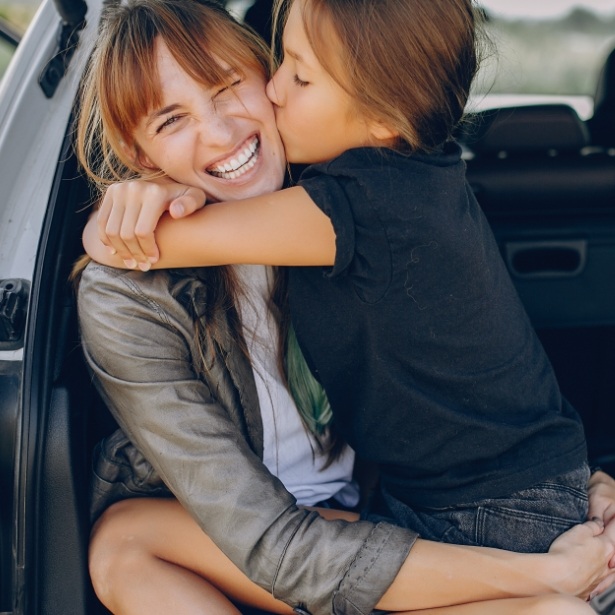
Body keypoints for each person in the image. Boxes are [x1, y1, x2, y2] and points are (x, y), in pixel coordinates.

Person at [78, 1, 615, 614]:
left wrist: (116, 230)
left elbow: (478, 390)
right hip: (277, 540)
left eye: (231, 87)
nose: (223, 133)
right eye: (172, 120)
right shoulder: (130, 301)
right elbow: (271, 539)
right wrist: (548, 560)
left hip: (396, 520)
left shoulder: (346, 202)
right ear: (139, 152)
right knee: (120, 539)